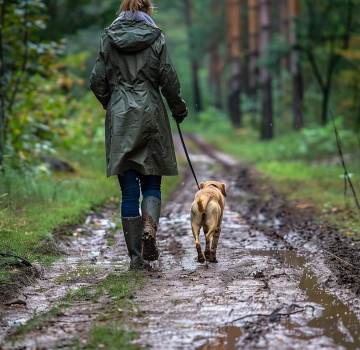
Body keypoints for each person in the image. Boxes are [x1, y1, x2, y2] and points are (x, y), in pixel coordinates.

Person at [90, 0, 188, 269]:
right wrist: (178, 108)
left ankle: (136, 258)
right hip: (151, 112)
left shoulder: (108, 39)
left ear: (121, 12)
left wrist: (112, 103)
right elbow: (167, 76)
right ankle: (149, 234)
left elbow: (96, 80)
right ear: (147, 11)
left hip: (120, 115)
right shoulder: (156, 37)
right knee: (152, 184)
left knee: (129, 193)